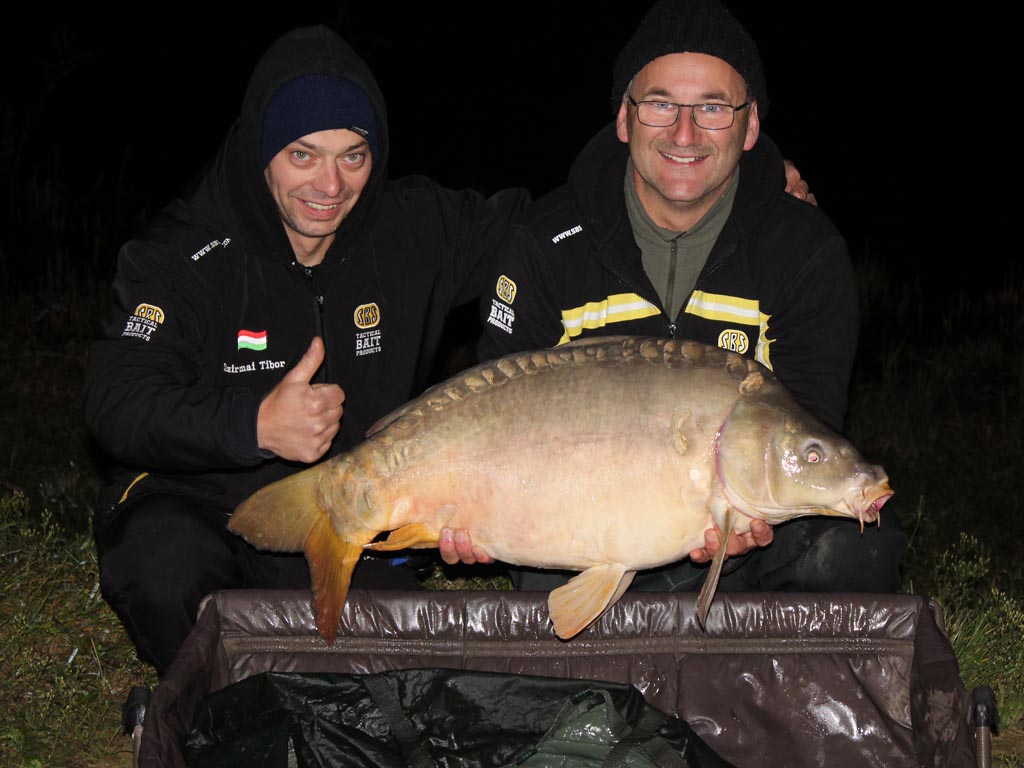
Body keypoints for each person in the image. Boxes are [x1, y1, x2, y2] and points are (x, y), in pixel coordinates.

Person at [82, 25, 534, 676]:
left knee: (407, 663)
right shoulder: (183, 253)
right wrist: (254, 424)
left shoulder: (411, 228)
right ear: (262, 152)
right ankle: (219, 703)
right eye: (303, 155)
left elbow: (546, 232)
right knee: (164, 569)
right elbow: (116, 400)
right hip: (199, 507)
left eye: (354, 155)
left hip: (344, 519)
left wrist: (655, 176)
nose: (331, 184)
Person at [459, 0, 907, 594]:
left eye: (713, 108)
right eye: (662, 104)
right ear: (625, 118)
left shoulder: (806, 251)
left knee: (857, 548)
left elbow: (807, 422)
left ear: (750, 127)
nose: (685, 133)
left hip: (741, 539)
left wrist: (746, 522)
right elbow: (490, 406)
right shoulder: (545, 245)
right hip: (576, 519)